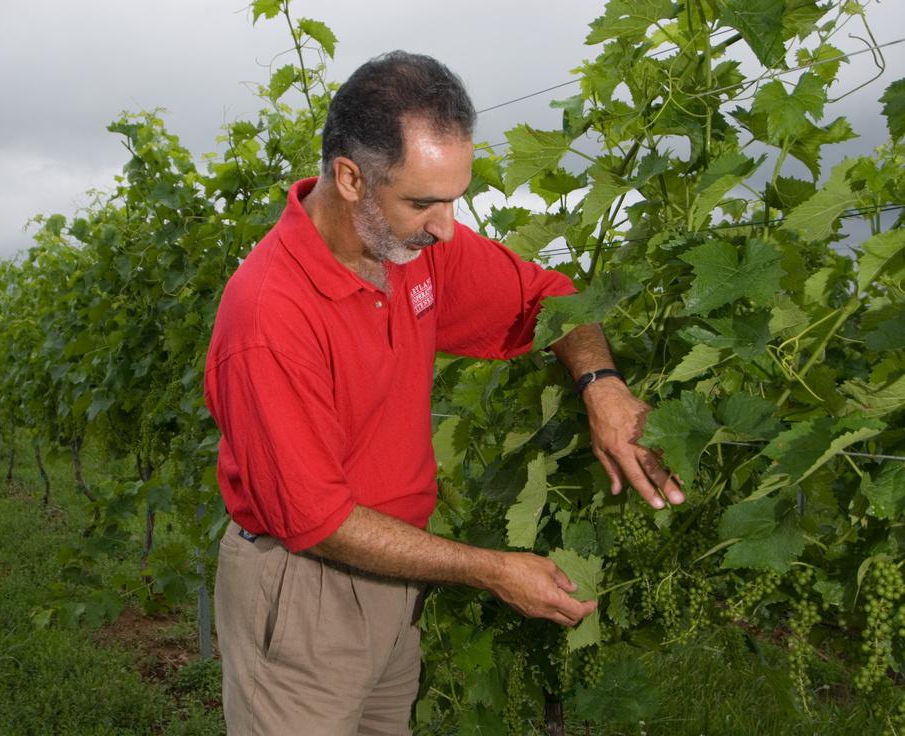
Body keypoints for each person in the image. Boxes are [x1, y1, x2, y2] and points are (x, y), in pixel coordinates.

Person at [203, 50, 683, 736]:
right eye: (423, 202)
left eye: (453, 199)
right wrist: (490, 569)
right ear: (349, 178)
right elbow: (318, 520)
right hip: (304, 590)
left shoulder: (414, 251)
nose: (447, 227)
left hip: (397, 576)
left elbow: (553, 300)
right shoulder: (268, 317)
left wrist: (602, 387)